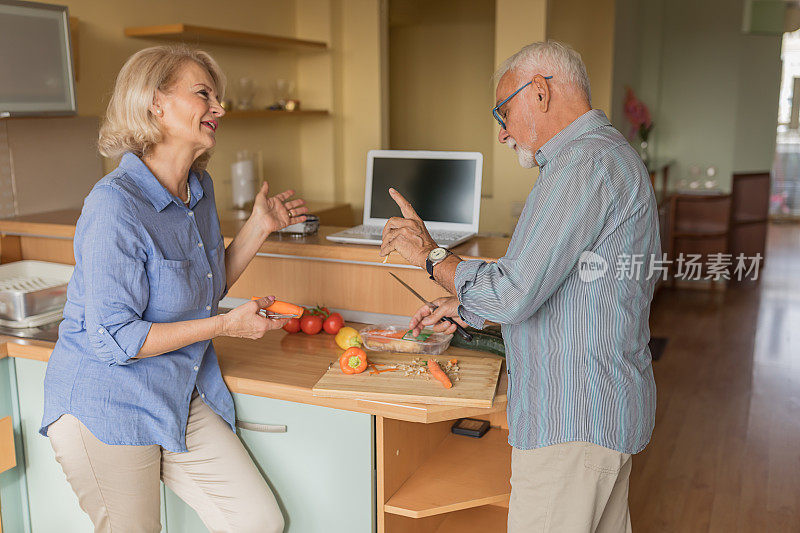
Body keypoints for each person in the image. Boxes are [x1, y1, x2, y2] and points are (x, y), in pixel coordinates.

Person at [380, 40, 660, 532]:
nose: (503, 131)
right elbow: (548, 287)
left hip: (571, 422)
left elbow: (513, 292)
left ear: (541, 92)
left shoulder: (583, 166)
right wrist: (464, 305)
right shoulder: (598, 159)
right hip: (595, 414)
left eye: (502, 111)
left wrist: (430, 254)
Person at [40, 46, 307, 533]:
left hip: (175, 393)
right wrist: (226, 325)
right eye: (203, 94)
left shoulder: (197, 190)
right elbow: (115, 338)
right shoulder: (113, 207)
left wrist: (258, 228)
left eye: (218, 97)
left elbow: (203, 286)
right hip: (106, 406)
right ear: (154, 103)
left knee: (257, 521)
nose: (219, 108)